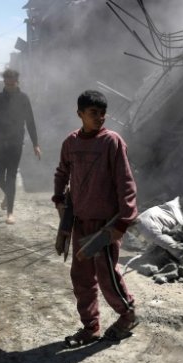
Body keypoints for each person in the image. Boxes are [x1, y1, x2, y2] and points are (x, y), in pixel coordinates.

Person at [52, 90, 138, 347]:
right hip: (80, 221)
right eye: (93, 113)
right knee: (81, 277)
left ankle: (128, 314)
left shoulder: (112, 142)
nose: (100, 118)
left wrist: (124, 221)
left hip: (106, 225)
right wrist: (59, 198)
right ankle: (90, 326)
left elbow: (126, 182)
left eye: (102, 113)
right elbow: (62, 172)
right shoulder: (71, 143)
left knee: (107, 275)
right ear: (80, 114)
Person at [0, 69, 41, 225]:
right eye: (7, 83)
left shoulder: (24, 99)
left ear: (17, 82)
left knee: (10, 176)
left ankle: (10, 213)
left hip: (16, 143)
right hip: (0, 142)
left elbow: (30, 122)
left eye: (12, 83)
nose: (9, 86)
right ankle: (8, 194)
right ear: (4, 82)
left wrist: (35, 144)